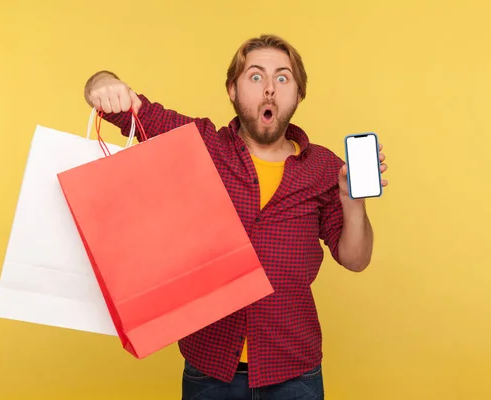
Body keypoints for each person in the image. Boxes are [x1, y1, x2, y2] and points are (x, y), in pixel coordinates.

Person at [83, 34, 388, 400]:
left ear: (298, 94)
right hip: (211, 370)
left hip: (295, 371)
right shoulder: (200, 143)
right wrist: (102, 83)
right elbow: (127, 107)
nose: (270, 90)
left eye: (283, 78)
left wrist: (353, 201)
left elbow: (356, 259)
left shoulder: (324, 168)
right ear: (232, 89)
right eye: (256, 77)